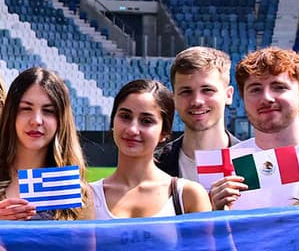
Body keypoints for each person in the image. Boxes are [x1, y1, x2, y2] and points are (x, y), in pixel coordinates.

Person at [210, 47, 299, 210]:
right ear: (243, 100)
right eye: (256, 89)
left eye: (279, 87)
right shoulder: (225, 165)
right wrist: (213, 212)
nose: (267, 98)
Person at [88, 79, 212, 220]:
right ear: (113, 121)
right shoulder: (89, 197)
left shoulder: (188, 195)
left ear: (164, 132)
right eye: (125, 116)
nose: (132, 130)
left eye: (146, 121)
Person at [0, 66, 94, 221]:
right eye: (26, 108)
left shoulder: (79, 191)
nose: (36, 120)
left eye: (48, 111)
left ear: (61, 121)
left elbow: (87, 245)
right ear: (11, 114)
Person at [156, 46, 238, 185]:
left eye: (207, 90)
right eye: (186, 92)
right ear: (174, 97)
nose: (197, 101)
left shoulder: (251, 161)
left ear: (228, 95)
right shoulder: (155, 166)